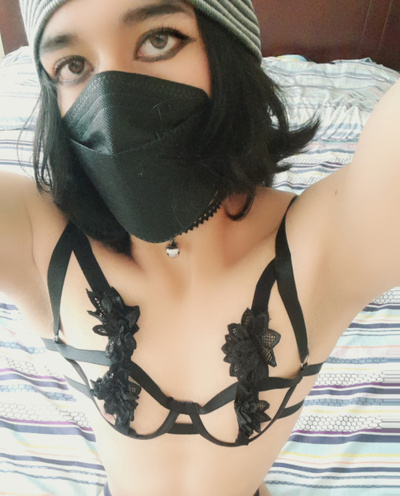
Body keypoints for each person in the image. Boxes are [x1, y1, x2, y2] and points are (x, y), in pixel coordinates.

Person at [1, 0, 399, 494]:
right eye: (73, 65)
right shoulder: (38, 238)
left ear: (226, 49)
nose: (111, 98)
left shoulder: (326, 244)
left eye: (158, 39)